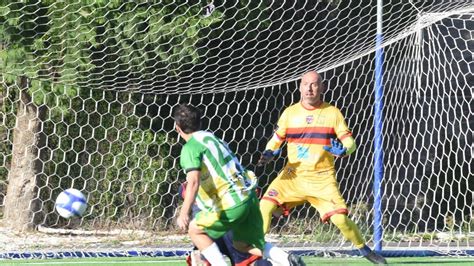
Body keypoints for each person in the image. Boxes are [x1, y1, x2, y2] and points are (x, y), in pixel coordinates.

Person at [258, 71, 387, 265]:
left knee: (340, 220)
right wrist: (269, 152)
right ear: (300, 87)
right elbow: (276, 140)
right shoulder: (289, 113)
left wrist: (344, 150)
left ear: (322, 88)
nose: (310, 88)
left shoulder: (332, 113)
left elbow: (350, 142)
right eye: (306, 84)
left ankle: (365, 250)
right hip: (292, 175)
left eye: (314, 84)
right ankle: (257, 254)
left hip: (322, 178)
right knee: (265, 206)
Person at [173, 104, 305, 266]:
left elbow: (193, 181)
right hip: (249, 197)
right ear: (200, 123)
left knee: (195, 230)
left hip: (231, 203)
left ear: (177, 127)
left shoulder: (190, 148)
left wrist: (183, 213)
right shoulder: (213, 139)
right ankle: (286, 260)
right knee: (243, 244)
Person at [178, 182, 272, 266]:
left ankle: (281, 257)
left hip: (214, 226)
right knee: (251, 252)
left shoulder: (190, 182)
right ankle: (281, 257)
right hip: (225, 223)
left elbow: (188, 188)